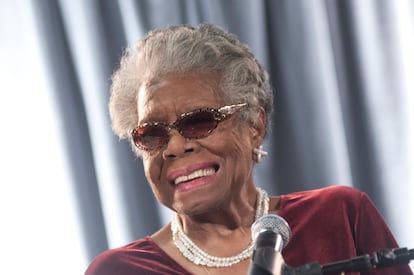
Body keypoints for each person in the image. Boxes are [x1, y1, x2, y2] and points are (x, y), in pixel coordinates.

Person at [85, 23, 412, 275]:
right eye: (152, 134)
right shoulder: (118, 271)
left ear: (253, 126)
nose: (175, 146)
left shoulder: (339, 216)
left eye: (198, 121)